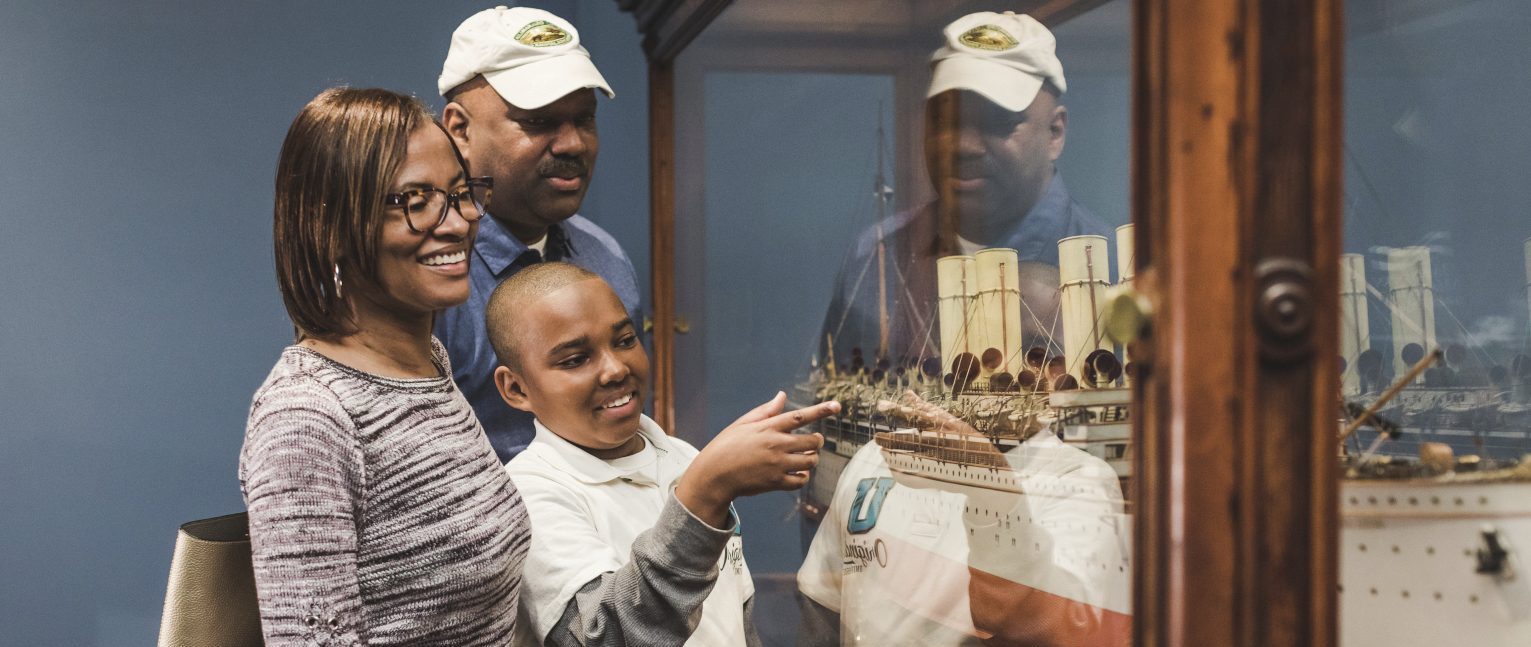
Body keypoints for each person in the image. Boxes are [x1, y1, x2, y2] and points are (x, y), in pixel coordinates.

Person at [240, 87, 528, 646]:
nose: (457, 223)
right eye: (415, 200)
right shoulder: (307, 417)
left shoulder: (428, 366)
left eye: (460, 192)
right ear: (331, 225)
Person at [487, 262, 840, 646]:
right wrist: (706, 492)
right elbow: (604, 637)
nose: (615, 369)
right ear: (516, 389)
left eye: (624, 340)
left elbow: (733, 612)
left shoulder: (682, 456)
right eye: (575, 360)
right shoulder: (526, 494)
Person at [818, 10, 1112, 368]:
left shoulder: (1115, 271)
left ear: (1055, 133)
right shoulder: (874, 257)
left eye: (997, 121)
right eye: (945, 120)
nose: (963, 145)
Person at [436, 5, 641, 462]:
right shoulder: (429, 279)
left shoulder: (604, 256)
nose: (572, 144)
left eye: (585, 119)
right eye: (538, 122)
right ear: (460, 129)